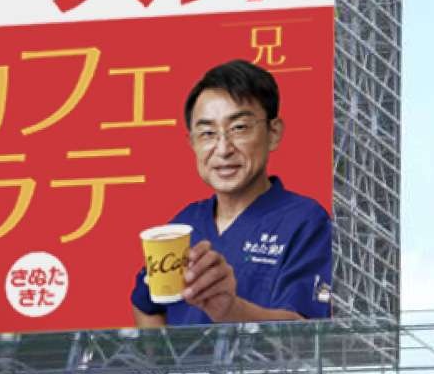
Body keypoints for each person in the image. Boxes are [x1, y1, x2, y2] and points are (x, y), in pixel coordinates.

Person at [131, 59, 331, 327]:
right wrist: (161, 354)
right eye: (207, 133)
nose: (223, 148)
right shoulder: (184, 225)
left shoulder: (306, 221)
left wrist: (230, 310)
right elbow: (145, 304)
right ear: (192, 143)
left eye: (239, 128)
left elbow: (306, 332)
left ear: (273, 133)